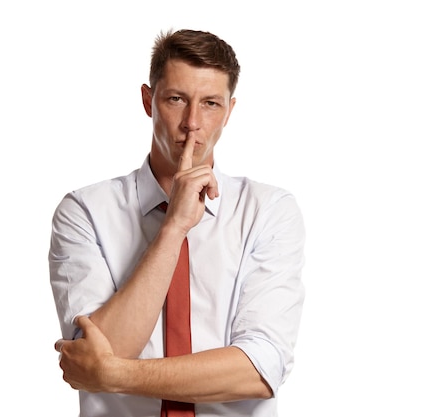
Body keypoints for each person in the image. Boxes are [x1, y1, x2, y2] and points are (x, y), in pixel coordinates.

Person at [49, 28, 305, 417]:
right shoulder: (84, 211)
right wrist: (174, 228)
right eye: (176, 100)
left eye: (211, 104)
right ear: (148, 101)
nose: (192, 123)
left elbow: (259, 369)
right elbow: (104, 347)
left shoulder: (268, 211)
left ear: (230, 112)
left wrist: (113, 374)